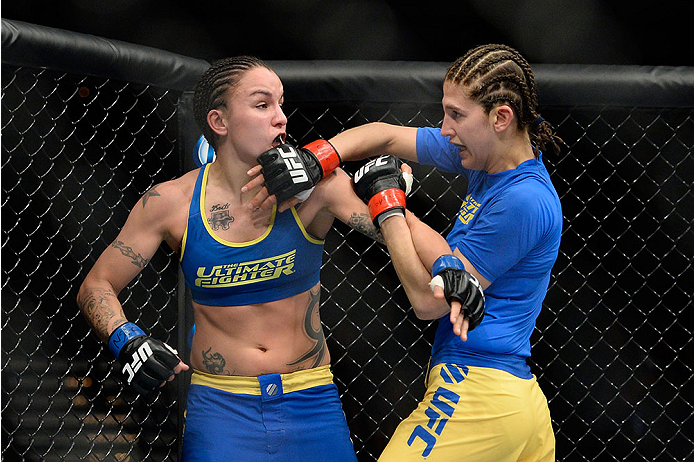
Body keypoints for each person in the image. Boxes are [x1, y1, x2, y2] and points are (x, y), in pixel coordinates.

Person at [77, 55, 466, 462]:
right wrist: (126, 338)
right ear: (219, 122)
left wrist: (448, 265)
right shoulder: (169, 203)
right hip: (221, 410)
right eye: (262, 105)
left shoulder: (319, 190)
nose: (281, 118)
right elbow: (97, 284)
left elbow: (407, 228)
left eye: (281, 104)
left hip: (311, 402)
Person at [247, 44, 562, 461]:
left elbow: (428, 300)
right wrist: (319, 157)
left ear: (500, 117)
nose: (445, 128)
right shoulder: (488, 159)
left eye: (457, 115)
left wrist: (390, 208)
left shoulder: (523, 201)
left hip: (477, 392)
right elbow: (386, 134)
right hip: (515, 396)